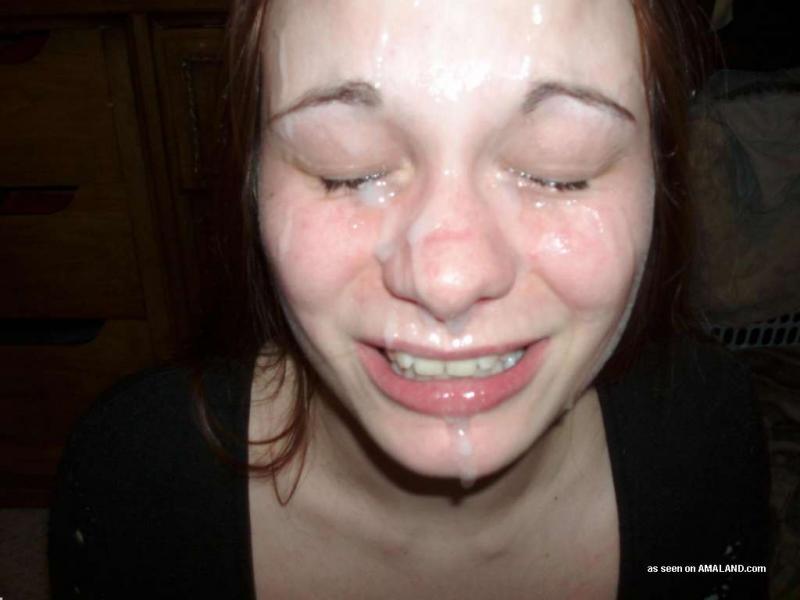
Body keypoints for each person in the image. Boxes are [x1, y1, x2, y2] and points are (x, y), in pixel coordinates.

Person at [49, 0, 770, 598]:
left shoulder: (709, 438)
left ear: (661, 178)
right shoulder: (135, 489)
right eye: (346, 166)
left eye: (559, 167)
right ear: (253, 180)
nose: (447, 281)